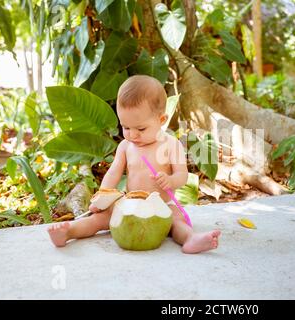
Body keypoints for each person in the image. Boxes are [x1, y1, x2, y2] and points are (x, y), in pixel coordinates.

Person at [48, 75, 221, 253]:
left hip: (160, 205)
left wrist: (170, 181)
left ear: (161, 120)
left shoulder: (170, 145)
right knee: (99, 218)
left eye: (140, 129)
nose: (132, 135)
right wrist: (102, 199)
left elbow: (182, 176)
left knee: (176, 219)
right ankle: (69, 232)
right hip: (130, 204)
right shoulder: (125, 146)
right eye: (126, 127)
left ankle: (190, 239)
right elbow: (113, 173)